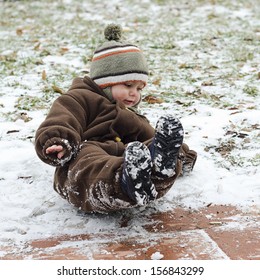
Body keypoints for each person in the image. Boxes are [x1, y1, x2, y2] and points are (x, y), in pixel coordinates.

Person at [35, 24, 197, 213]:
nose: (134, 93)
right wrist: (58, 141)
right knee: (86, 158)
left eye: (139, 88)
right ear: (105, 81)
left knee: (147, 148)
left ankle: (157, 168)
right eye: (128, 84)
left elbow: (150, 135)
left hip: (130, 156)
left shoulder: (131, 115)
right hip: (89, 153)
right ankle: (125, 181)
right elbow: (62, 118)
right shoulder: (80, 98)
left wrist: (180, 152)